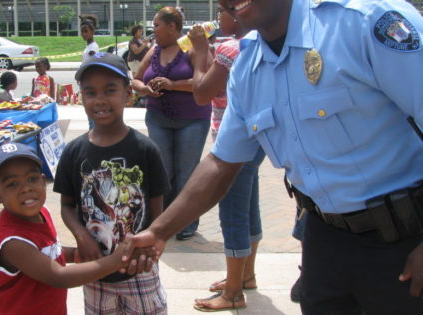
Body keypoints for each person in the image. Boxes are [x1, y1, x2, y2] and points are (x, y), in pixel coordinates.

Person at [124, 0, 423, 314]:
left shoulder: (364, 23)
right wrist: (158, 231)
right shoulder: (247, 61)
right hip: (324, 241)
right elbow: (221, 162)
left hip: (404, 242)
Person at [53, 53, 169, 314]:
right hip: (94, 269)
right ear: (82, 96)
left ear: (128, 94)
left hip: (138, 268)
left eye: (110, 90)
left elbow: (157, 207)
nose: (100, 100)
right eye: (91, 92)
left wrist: (152, 246)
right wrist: (82, 236)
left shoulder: (146, 149)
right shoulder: (73, 152)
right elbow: (67, 206)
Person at [0, 143, 131, 315]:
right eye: (12, 184)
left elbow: (49, 252)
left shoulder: (42, 212)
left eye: (32, 179)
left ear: (43, 181)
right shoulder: (13, 242)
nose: (26, 188)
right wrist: (116, 261)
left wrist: (75, 254)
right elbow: (59, 276)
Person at [188, 7, 265, 311]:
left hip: (233, 142)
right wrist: (207, 49)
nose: (217, 16)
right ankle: (246, 275)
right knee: (249, 205)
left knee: (233, 212)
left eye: (222, 10)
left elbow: (202, 92)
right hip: (256, 139)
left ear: (238, 13)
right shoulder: (255, 42)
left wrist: (197, 52)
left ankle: (233, 292)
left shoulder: (232, 47)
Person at [132, 6, 212, 241]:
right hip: (158, 118)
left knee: (186, 173)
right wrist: (145, 90)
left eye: (156, 25)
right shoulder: (154, 50)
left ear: (171, 27)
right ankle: (163, 221)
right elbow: (135, 80)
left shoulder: (191, 47)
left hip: (192, 120)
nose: (153, 30)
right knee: (163, 171)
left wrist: (172, 84)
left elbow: (204, 81)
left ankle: (186, 222)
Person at [79, 14, 99, 130]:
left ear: (92, 31)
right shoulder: (89, 47)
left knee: (91, 112)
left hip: (90, 83)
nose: (84, 34)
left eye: (86, 31)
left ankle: (94, 133)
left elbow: (93, 65)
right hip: (86, 82)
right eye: (82, 32)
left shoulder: (92, 48)